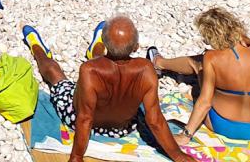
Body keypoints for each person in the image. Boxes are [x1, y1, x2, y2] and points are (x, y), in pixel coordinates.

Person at [22, 16, 189, 162]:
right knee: (99, 65)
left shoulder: (89, 70)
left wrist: (77, 156)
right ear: (136, 47)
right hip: (122, 129)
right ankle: (95, 48)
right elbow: (155, 121)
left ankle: (38, 49)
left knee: (56, 75)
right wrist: (179, 156)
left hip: (87, 122)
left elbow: (85, 118)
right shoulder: (146, 69)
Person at [148, 8, 250, 142]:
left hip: (226, 125)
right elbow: (246, 43)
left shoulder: (211, 58)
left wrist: (186, 135)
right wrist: (240, 36)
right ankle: (159, 62)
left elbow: (205, 102)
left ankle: (158, 62)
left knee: (198, 65)